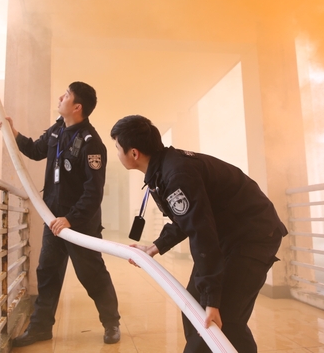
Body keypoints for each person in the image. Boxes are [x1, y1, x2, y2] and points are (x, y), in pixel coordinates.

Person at [110, 115, 287, 353]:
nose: (117, 153)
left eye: (117, 148)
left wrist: (212, 299)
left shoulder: (176, 174)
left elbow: (201, 232)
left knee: (221, 320)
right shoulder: (164, 170)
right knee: (194, 309)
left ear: (134, 153)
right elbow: (189, 217)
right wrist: (154, 247)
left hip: (253, 236)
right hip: (228, 234)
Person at [0, 82, 121, 347]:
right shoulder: (57, 130)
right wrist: (12, 131)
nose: (60, 97)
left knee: (92, 275)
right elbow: (35, 150)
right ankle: (40, 328)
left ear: (77, 107)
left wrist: (71, 219)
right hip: (53, 219)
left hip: (79, 225)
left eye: (66, 95)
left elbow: (93, 192)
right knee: (48, 273)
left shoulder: (91, 143)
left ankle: (112, 323)